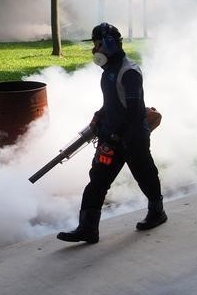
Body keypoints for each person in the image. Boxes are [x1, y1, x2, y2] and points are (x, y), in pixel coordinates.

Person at [57, 23, 167, 244]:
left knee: (145, 175)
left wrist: (116, 138)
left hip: (133, 138)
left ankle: (157, 212)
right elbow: (113, 103)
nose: (94, 50)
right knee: (97, 181)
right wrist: (100, 115)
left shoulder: (129, 72)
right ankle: (87, 228)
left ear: (108, 44)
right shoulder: (109, 71)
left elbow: (135, 113)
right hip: (111, 137)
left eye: (97, 45)